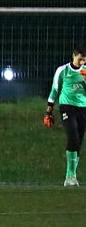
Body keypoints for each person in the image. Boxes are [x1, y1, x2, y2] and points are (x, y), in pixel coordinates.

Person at [44, 45, 86, 187]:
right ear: (73, 56)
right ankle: (69, 176)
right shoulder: (63, 70)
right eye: (80, 59)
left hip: (83, 109)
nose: (82, 63)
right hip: (67, 107)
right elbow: (55, 89)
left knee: (79, 141)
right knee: (72, 136)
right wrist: (49, 110)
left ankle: (72, 176)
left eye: (84, 60)